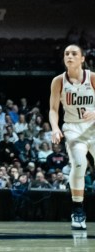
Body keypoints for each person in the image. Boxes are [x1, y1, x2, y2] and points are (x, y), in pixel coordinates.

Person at [50, 43, 95, 231]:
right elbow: (53, 109)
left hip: (93, 127)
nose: (69, 56)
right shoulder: (58, 81)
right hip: (73, 128)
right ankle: (78, 210)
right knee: (79, 163)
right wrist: (54, 128)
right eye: (67, 53)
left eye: (74, 53)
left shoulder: (92, 78)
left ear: (82, 59)